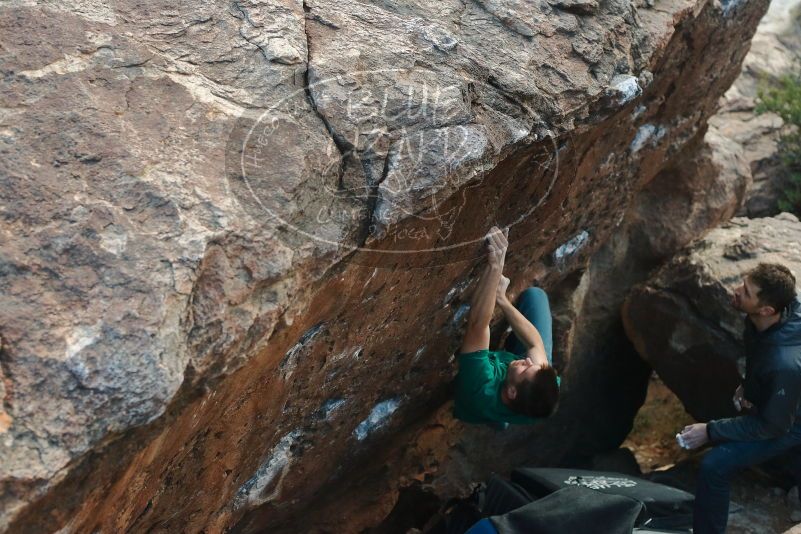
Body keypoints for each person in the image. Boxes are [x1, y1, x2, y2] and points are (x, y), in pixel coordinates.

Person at [678, 263, 801, 534]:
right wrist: (749, 386)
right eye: (743, 283)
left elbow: (774, 426)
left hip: (791, 420)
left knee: (715, 464)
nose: (736, 291)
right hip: (786, 399)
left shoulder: (783, 362)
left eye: (746, 291)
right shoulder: (773, 315)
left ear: (767, 310)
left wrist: (710, 431)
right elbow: (762, 352)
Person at [453, 225, 560, 425]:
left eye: (527, 369)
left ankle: (497, 418)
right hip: (516, 402)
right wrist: (501, 300)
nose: (529, 362)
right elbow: (535, 344)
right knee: (536, 297)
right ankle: (502, 419)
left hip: (478, 400)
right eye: (535, 365)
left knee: (482, 408)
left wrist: (496, 265)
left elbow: (477, 324)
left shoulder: (482, 384)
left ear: (511, 391)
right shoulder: (542, 393)